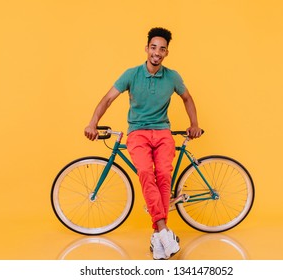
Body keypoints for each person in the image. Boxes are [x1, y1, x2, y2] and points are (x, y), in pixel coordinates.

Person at [84, 27, 202, 259]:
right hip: (137, 132)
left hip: (163, 132)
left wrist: (194, 123)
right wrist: (92, 122)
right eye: (154, 47)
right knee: (146, 172)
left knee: (164, 176)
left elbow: (187, 98)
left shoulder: (173, 77)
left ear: (167, 53)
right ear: (146, 49)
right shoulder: (131, 74)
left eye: (162, 49)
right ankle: (163, 230)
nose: (157, 52)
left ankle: (159, 237)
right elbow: (108, 98)